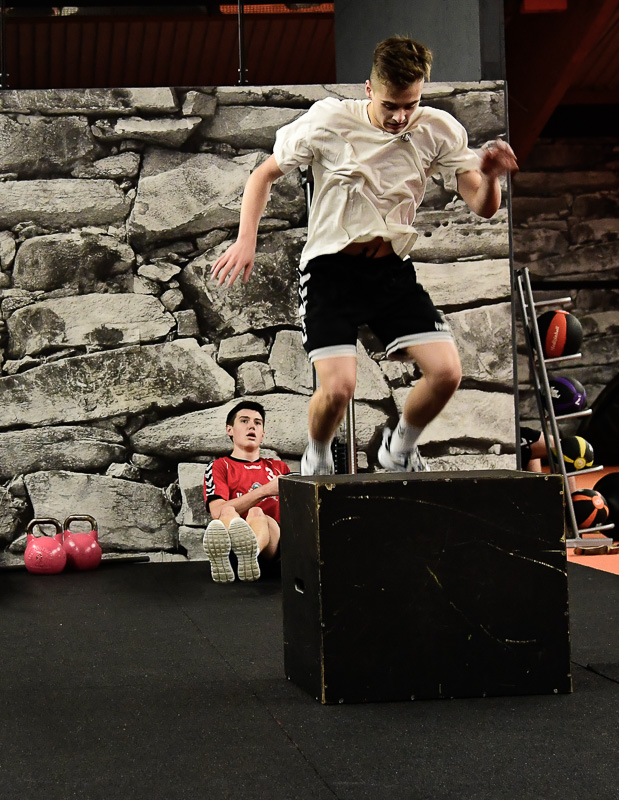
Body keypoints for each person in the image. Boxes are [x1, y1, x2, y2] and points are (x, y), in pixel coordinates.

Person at [212, 36, 519, 475]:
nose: (399, 117)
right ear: (369, 90)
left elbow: (484, 205)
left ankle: (396, 447)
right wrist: (246, 240)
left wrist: (490, 176)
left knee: (447, 372)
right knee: (339, 389)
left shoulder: (437, 130)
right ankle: (317, 451)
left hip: (390, 270)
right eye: (391, 104)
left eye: (409, 105)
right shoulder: (329, 121)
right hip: (330, 269)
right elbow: (263, 174)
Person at [202, 401, 288, 583]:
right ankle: (242, 556)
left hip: (273, 548)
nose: (252, 426)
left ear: (262, 434)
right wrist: (264, 491)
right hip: (233, 546)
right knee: (226, 511)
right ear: (229, 430)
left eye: (257, 423)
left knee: (257, 513)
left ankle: (251, 552)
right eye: (244, 421)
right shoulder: (219, 466)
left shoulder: (279, 468)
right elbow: (217, 512)